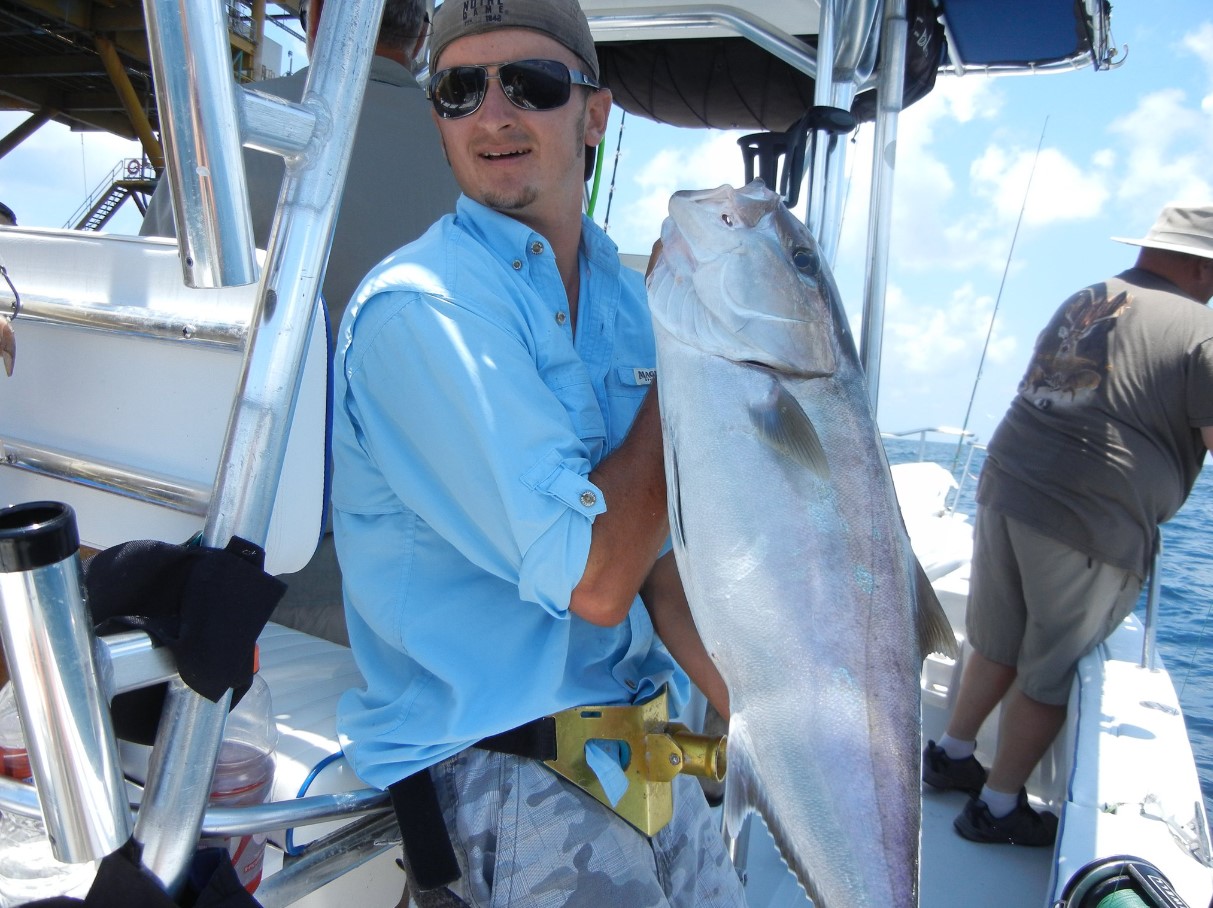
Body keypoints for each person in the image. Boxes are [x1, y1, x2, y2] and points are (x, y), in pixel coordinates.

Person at [330, 0, 745, 904]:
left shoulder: (629, 301)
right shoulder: (423, 310)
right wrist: (704, 366)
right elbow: (596, 581)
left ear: (593, 113)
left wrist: (773, 727)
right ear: (437, 118)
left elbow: (656, 562)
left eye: (531, 83)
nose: (493, 113)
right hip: (501, 772)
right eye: (458, 89)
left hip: (644, 752)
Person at [142, 0, 461, 645]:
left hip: (228, 576)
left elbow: (154, 337)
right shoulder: (479, 160)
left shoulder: (222, 129)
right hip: (421, 594)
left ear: (318, 17)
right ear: (424, 34)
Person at [923, 203, 1213, 846]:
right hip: (1088, 516)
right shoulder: (1201, 331)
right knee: (1048, 671)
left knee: (995, 640)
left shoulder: (1089, 295)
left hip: (1005, 487)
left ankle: (951, 753)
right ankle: (997, 809)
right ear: (1199, 265)